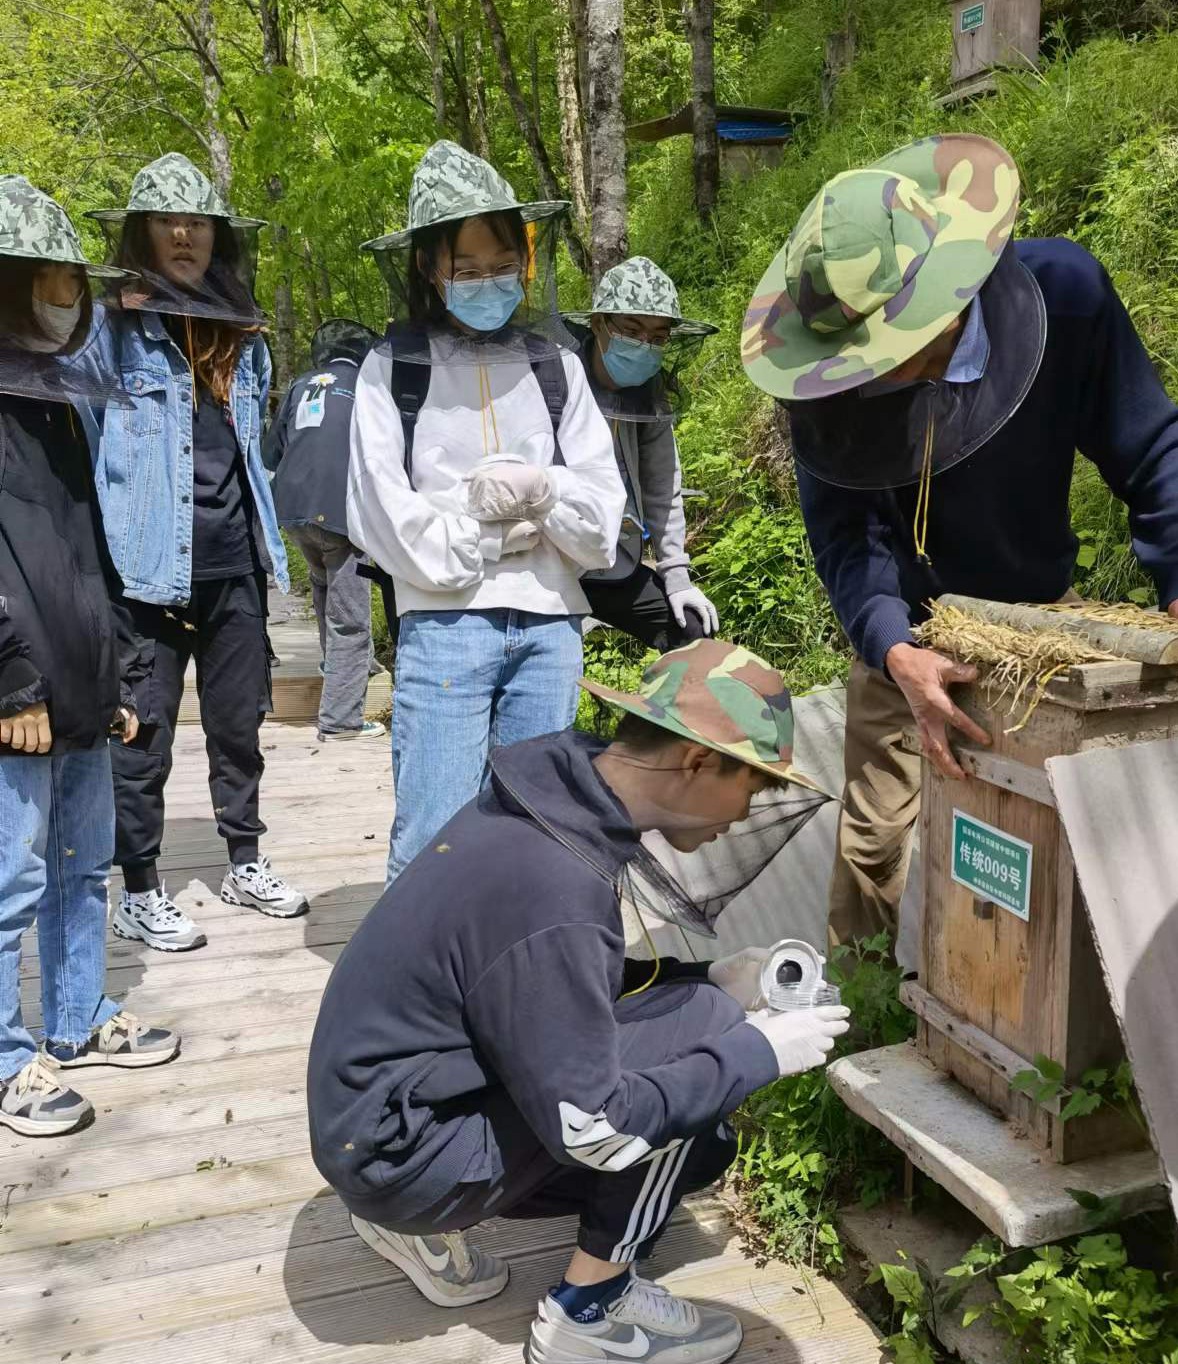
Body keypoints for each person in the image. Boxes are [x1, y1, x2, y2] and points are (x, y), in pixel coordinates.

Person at [308, 638, 851, 1364]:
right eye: (753, 785)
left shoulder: (543, 805)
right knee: (701, 1065)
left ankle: (404, 1221)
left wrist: (715, 976)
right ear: (698, 762)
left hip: (374, 1116)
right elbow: (599, 1124)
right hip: (400, 1158)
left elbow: (536, 988)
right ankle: (589, 1315)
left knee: (700, 1010)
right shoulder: (556, 883)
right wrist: (756, 1049)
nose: (749, 810)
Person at [741, 132, 1178, 951]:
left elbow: (1154, 451)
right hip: (914, 629)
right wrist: (891, 645)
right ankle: (857, 1017)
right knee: (873, 845)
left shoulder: (1066, 298)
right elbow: (845, 531)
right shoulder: (826, 382)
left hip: (1044, 626)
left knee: (1048, 841)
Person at [346, 140, 625, 882]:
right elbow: (377, 510)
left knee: (544, 830)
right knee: (435, 833)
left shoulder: (554, 364)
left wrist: (546, 491)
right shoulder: (392, 369)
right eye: (466, 270)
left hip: (550, 628)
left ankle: (517, 985)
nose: (486, 283)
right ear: (428, 269)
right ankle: (417, 991)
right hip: (444, 625)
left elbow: (601, 515)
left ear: (525, 261)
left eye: (500, 265)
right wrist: (482, 540)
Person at [83, 153, 308, 953]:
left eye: (198, 221)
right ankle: (137, 887)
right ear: (143, 233)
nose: (184, 234)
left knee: (239, 725)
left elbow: (250, 450)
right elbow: (77, 441)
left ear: (217, 235)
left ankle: (245, 858)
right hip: (144, 571)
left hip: (237, 566)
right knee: (140, 733)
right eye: (168, 220)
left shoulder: (242, 329)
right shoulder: (110, 328)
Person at [0, 177, 179, 1137]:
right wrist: (9, 680)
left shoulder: (60, 402)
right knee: (6, 881)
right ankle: (3, 1053)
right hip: (13, 698)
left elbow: (86, 553)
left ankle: (73, 1017)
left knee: (81, 866)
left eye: (78, 282)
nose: (71, 298)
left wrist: (116, 679)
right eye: (54, 280)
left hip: (76, 687)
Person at [566, 256, 720, 651]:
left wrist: (676, 575)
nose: (644, 346)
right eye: (632, 330)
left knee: (691, 631)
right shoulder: (556, 378)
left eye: (658, 337)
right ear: (599, 324)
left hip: (616, 563)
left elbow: (661, 487)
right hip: (553, 565)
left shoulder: (650, 396)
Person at [263, 317, 385, 742]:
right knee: (350, 619)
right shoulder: (370, 389)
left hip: (293, 508)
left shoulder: (300, 383)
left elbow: (270, 450)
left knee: (324, 584)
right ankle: (341, 720)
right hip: (340, 511)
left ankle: (339, 667)